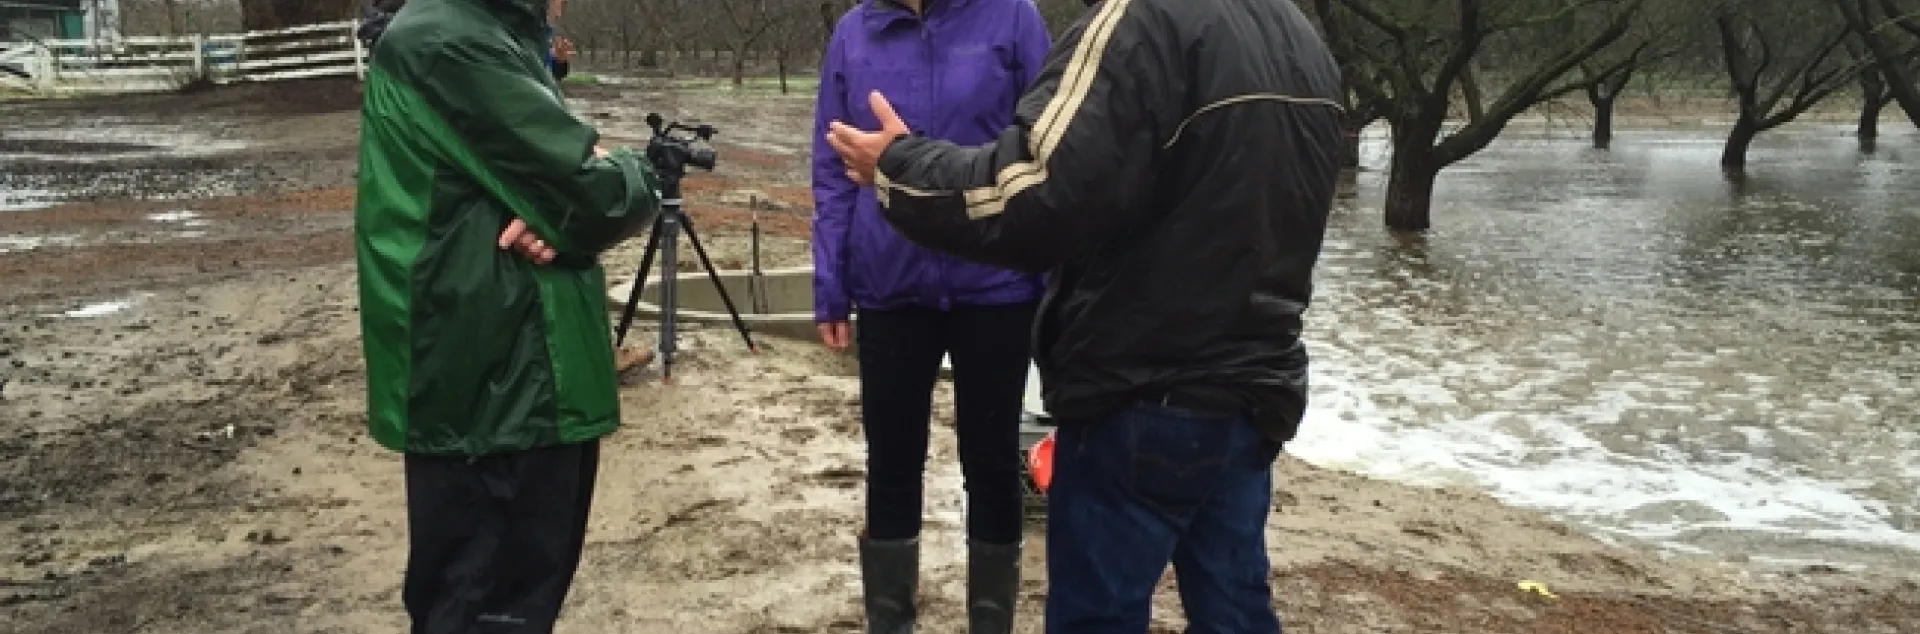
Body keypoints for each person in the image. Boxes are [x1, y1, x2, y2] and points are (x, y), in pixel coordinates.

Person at [823, 0, 1346, 631]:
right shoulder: (1296, 33)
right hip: (1255, 389)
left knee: (1095, 613)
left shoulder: (1138, 23)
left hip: (1141, 387)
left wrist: (897, 166)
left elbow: (1039, 190)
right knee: (1234, 607)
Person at [352, 0, 662, 631]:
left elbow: (558, 191)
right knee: (485, 605)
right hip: (497, 382)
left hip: (522, 367)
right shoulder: (449, 42)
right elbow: (590, 194)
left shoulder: (492, 33)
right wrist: (638, 169)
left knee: (512, 600)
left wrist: (565, 205)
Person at [811, 1, 1052, 633]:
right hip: (890, 283)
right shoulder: (854, 31)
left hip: (997, 282)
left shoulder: (1013, 18)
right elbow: (831, 170)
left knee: (993, 462)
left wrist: (1055, 287)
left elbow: (1050, 154)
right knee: (891, 462)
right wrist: (832, 282)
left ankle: (990, 623)